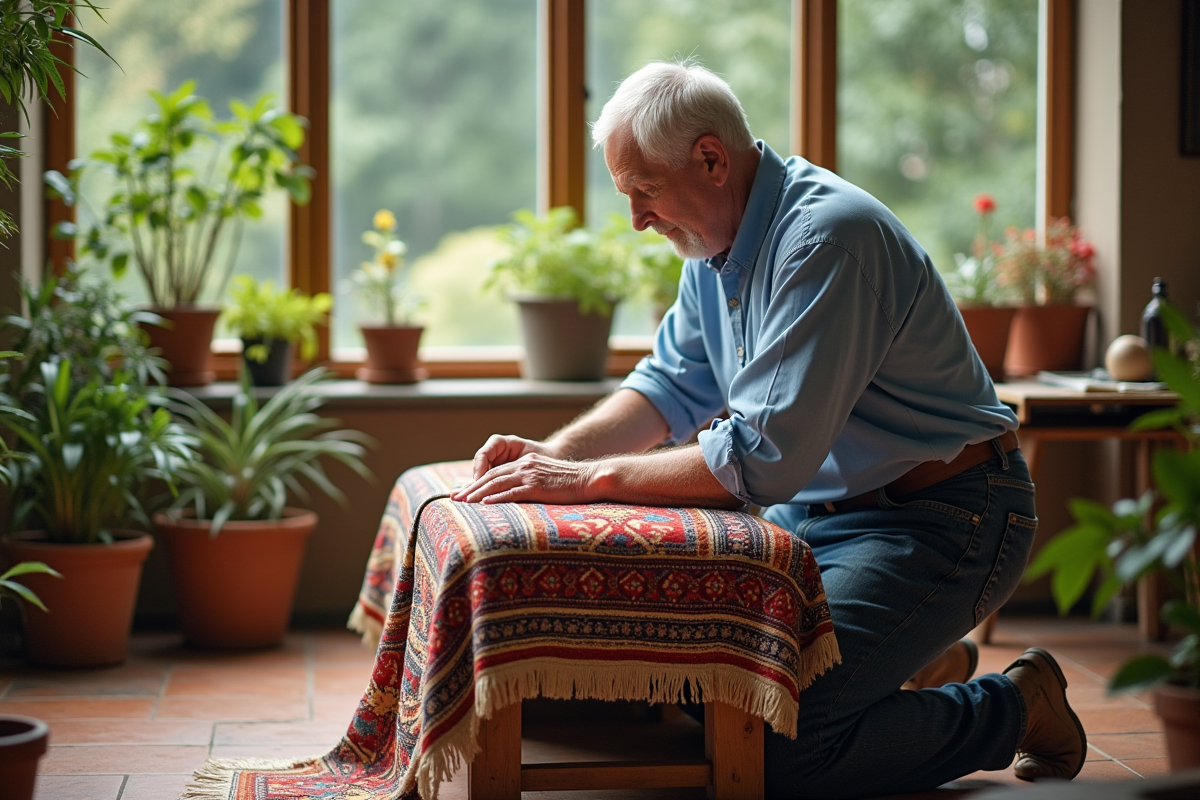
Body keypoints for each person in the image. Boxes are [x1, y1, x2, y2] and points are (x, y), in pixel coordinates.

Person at [452, 61, 1086, 798]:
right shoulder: (711, 247)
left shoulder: (826, 240)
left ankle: (1016, 705)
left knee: (781, 750)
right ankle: (907, 661)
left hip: (946, 519)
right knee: (696, 671)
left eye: (643, 191)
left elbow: (761, 458)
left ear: (712, 159)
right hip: (817, 515)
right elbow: (666, 388)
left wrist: (583, 480)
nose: (636, 219)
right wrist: (551, 457)